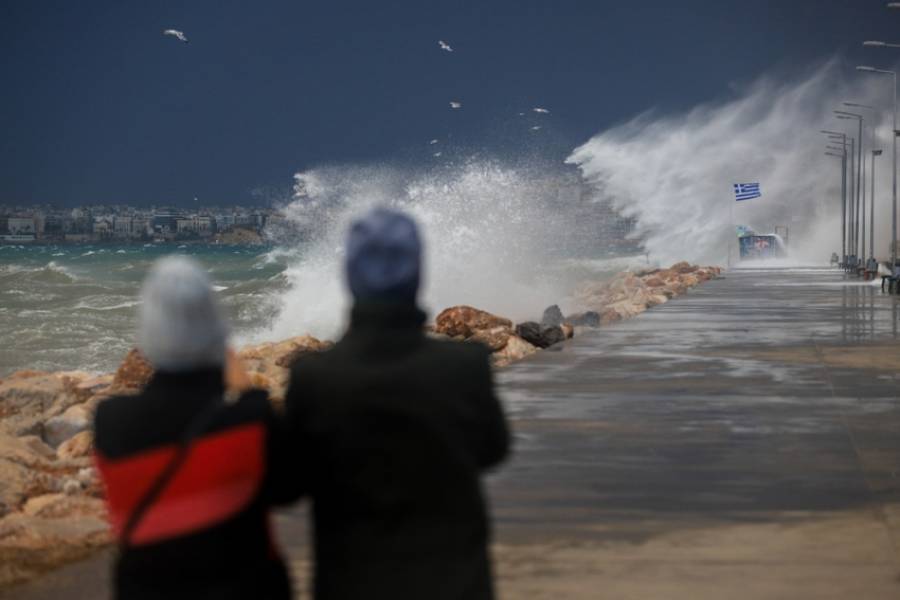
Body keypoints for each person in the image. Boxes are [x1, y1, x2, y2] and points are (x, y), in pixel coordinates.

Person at [284, 208, 510, 600]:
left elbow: (288, 483)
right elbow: (492, 451)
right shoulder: (465, 365)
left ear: (349, 277)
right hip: (455, 586)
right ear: (417, 274)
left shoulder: (314, 377)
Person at [94, 256, 303, 599]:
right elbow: (289, 489)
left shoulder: (111, 421)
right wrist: (249, 392)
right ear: (214, 328)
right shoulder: (247, 421)